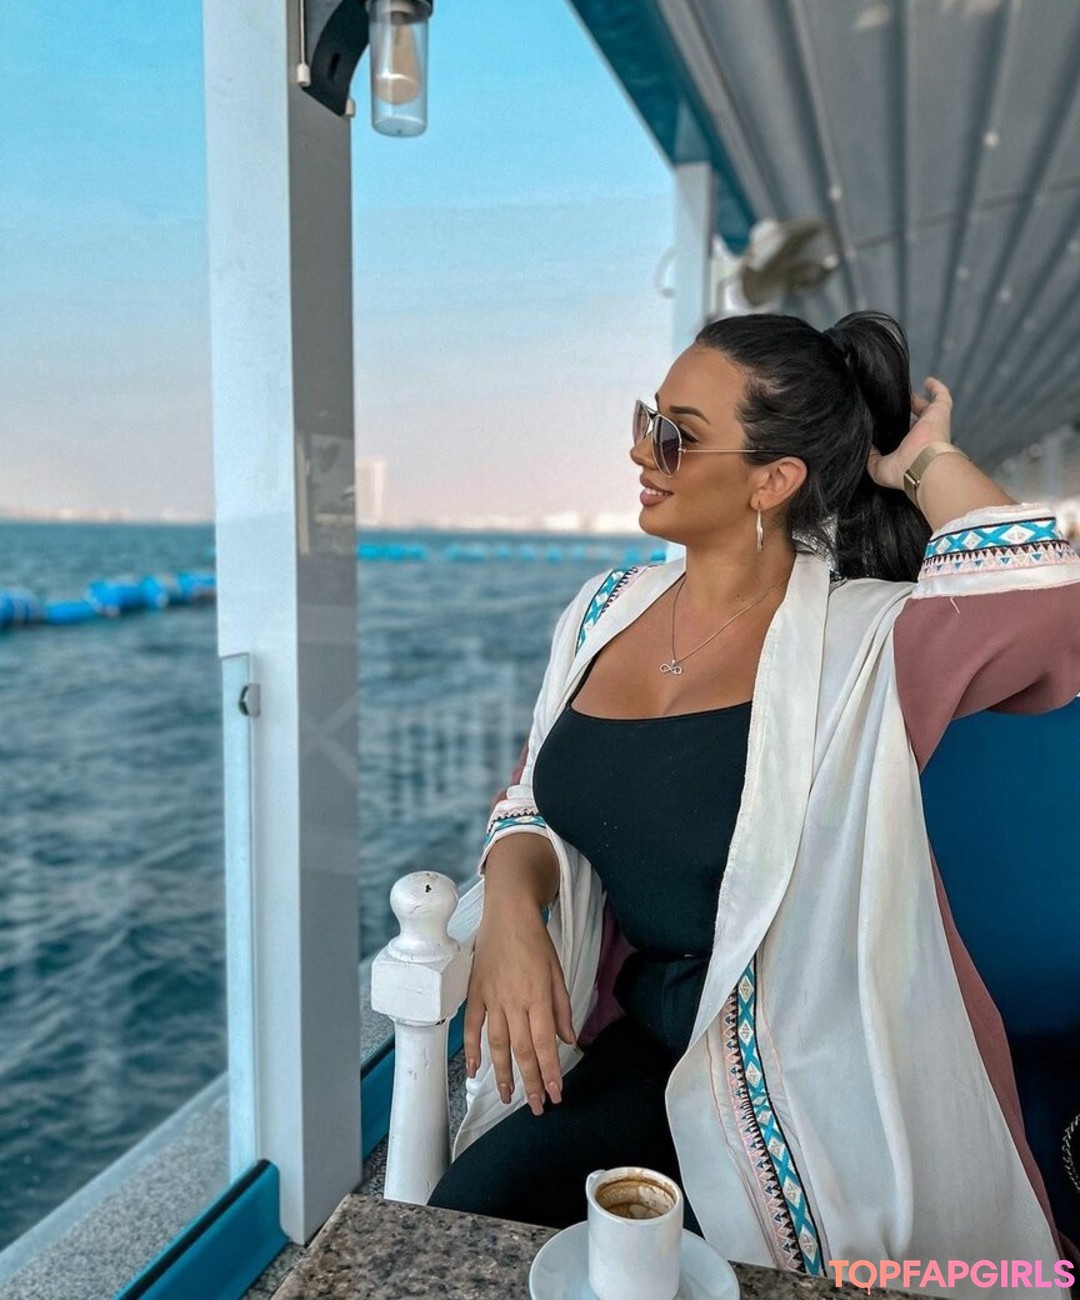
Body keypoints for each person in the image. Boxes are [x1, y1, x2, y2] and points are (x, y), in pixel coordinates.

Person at [427, 311, 1080, 1295]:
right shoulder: (602, 610)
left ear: (772, 481)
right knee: (461, 1227)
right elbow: (530, 798)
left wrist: (920, 463)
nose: (640, 451)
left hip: (809, 1076)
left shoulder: (868, 643)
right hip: (642, 1045)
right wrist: (512, 909)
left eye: (676, 435)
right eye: (649, 419)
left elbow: (1052, 598)